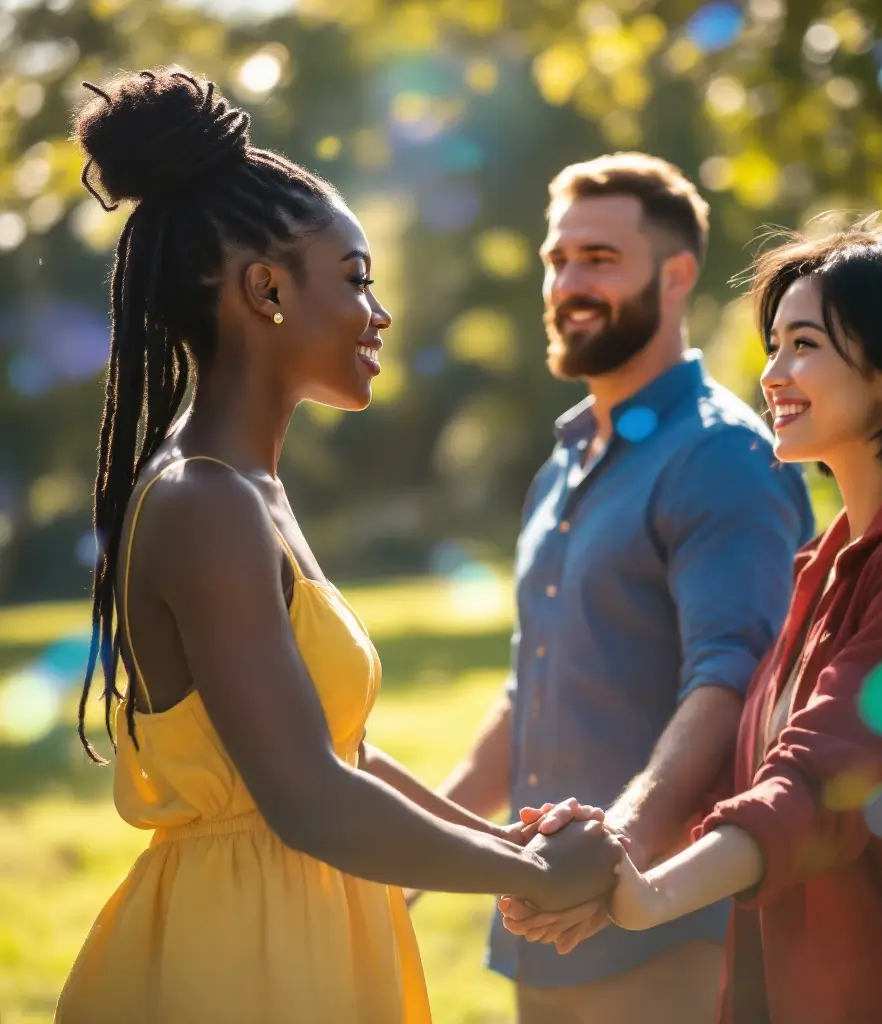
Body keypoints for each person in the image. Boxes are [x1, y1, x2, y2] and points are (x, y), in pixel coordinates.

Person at [56, 68, 621, 1024]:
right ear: (266, 289)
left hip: (309, 920)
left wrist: (513, 850)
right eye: (357, 278)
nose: (379, 312)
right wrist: (525, 870)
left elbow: (338, 750)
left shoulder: (250, 491)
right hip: (242, 958)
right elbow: (311, 799)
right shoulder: (206, 501)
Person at [522, 224, 882, 1023]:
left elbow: (825, 781)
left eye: (804, 344)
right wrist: (612, 850)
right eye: (774, 345)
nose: (773, 374)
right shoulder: (826, 563)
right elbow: (755, 780)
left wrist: (649, 898)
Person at [440, 152, 814, 1023]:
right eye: (557, 259)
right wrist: (426, 856)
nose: (568, 282)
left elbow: (734, 677)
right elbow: (530, 685)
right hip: (545, 930)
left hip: (669, 932)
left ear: (677, 274)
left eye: (599, 259)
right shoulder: (562, 462)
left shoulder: (723, 456)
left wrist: (614, 857)